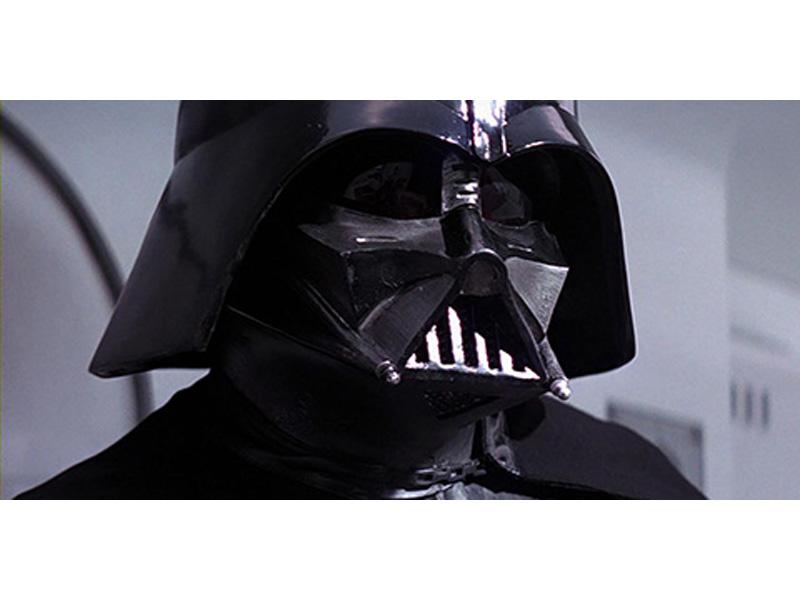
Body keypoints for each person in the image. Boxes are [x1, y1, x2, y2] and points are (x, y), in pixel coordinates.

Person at [19, 101, 703, 499]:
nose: (479, 257)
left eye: (504, 201)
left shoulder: (635, 493)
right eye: (394, 194)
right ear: (253, 218)